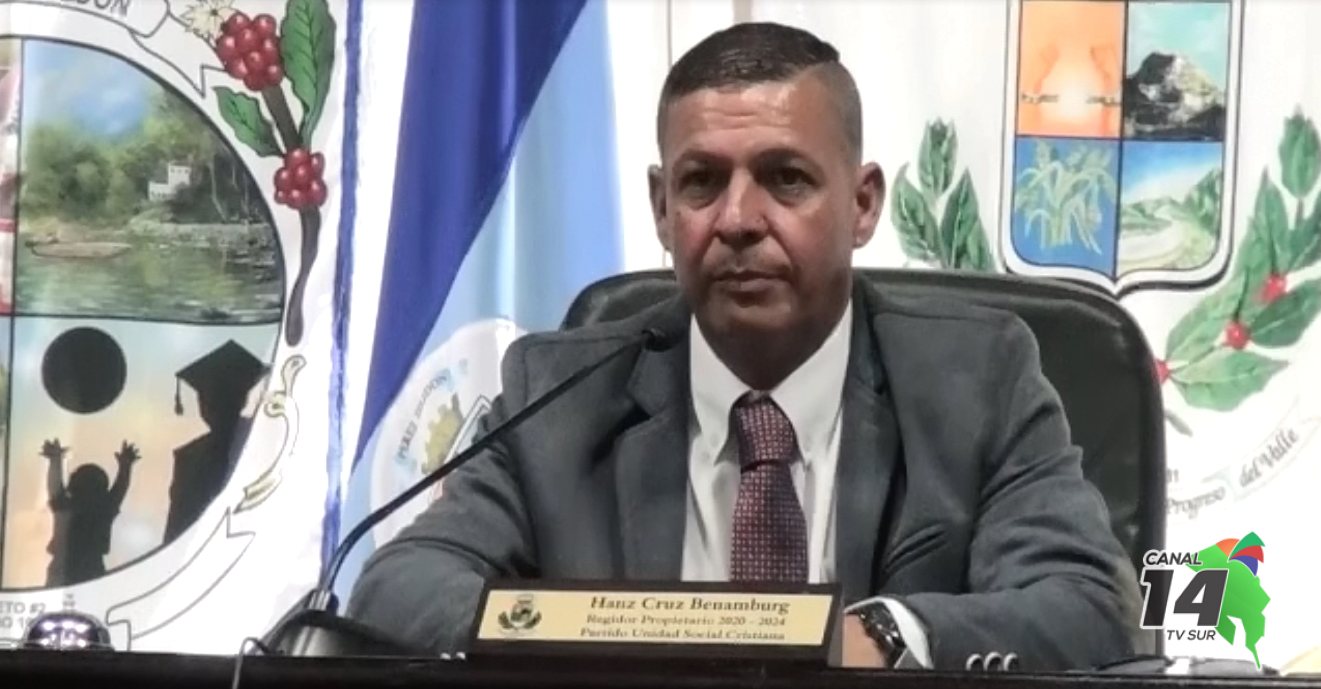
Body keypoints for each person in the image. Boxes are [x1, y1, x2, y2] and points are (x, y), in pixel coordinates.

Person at [348, 22, 1141, 671]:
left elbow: (1084, 603)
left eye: (785, 178)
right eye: (700, 182)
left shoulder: (977, 379)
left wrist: (882, 634)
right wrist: (604, 639)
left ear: (862, 203)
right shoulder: (557, 393)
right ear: (662, 209)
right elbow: (399, 587)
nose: (736, 220)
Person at [164, 340, 266, 542]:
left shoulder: (262, 440)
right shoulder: (187, 458)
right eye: (204, 398)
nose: (209, 405)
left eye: (220, 396)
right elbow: (176, 529)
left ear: (241, 399)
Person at [42, 439, 138, 586]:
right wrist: (126, 465)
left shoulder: (68, 505)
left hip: (67, 569)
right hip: (89, 569)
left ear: (73, 484)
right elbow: (120, 488)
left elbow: (54, 487)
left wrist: (55, 460)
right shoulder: (103, 508)